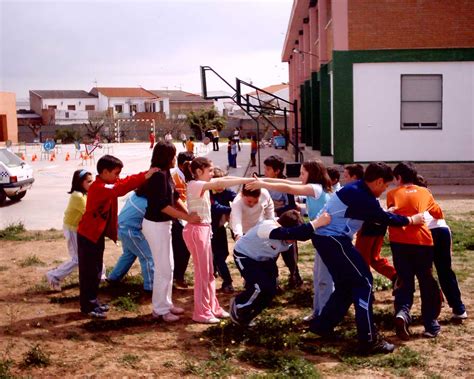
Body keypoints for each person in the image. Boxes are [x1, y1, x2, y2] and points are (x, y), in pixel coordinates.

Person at [308, 162, 425, 354]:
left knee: (346, 286)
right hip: (332, 239)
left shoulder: (357, 189)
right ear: (378, 181)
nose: (385, 189)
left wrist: (386, 214)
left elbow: (374, 215)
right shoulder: (362, 194)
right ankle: (369, 339)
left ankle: (322, 327)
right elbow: (382, 218)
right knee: (364, 282)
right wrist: (412, 220)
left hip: (326, 239)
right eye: (385, 185)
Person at [247, 160, 333, 318]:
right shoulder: (315, 188)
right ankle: (318, 312)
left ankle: (326, 316)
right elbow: (285, 182)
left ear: (312, 174)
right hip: (321, 239)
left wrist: (262, 183)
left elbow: (287, 187)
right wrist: (263, 181)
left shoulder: (315, 188)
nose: (300, 177)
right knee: (319, 278)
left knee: (325, 281)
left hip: (328, 240)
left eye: (303, 173)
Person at [77, 155, 158, 318]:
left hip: (95, 236)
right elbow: (120, 189)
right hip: (88, 236)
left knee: (96, 270)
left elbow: (123, 182)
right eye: (116, 173)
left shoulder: (106, 183)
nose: (118, 177)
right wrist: (144, 176)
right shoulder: (99, 187)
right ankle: (88, 306)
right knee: (89, 273)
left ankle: (92, 302)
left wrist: (144, 174)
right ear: (105, 172)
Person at [182, 157, 255, 323]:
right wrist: (247, 180)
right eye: (209, 171)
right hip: (197, 231)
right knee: (202, 274)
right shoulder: (195, 184)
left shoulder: (202, 184)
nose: (212, 174)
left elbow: (223, 180)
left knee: (208, 273)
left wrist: (249, 179)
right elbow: (219, 182)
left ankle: (212, 306)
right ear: (199, 171)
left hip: (204, 230)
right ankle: (201, 312)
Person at [230, 210, 331, 327]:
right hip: (245, 256)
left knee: (271, 289)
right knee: (259, 287)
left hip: (265, 259)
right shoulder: (267, 227)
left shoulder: (287, 238)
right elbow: (287, 233)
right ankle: (238, 305)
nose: (293, 241)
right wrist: (317, 223)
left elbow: (302, 235)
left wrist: (293, 272)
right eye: (293, 237)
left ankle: (247, 316)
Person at [142, 141, 201, 323]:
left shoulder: (167, 174)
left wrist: (187, 214)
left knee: (169, 267)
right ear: (166, 157)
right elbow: (163, 206)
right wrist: (187, 218)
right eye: (173, 155)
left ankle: (166, 304)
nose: (176, 158)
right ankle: (159, 310)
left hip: (164, 225)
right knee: (163, 269)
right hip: (155, 225)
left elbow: (175, 198)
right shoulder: (158, 176)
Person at [387, 162, 444, 339]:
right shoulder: (424, 192)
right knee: (426, 281)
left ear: (398, 178)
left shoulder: (392, 194)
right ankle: (430, 324)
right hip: (422, 242)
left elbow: (392, 215)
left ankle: (403, 313)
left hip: (399, 242)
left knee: (404, 280)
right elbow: (438, 213)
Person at [416, 175, 467, 321]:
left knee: (425, 273)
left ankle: (433, 307)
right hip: (442, 229)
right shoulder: (429, 196)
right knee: (445, 271)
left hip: (427, 231)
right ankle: (458, 308)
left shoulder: (413, 196)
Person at [46, 169, 105, 291]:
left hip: (80, 229)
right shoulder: (77, 196)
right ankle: (54, 276)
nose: (91, 184)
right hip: (72, 229)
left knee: (93, 252)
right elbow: (90, 212)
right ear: (80, 183)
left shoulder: (85, 194)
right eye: (88, 182)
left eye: (92, 181)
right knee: (78, 258)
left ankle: (101, 276)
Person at [262, 155, 302, 288]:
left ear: (277, 171)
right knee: (271, 254)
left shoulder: (285, 185)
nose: (265, 171)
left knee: (289, 253)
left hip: (285, 224)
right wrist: (274, 204)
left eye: (268, 169)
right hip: (270, 224)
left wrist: (277, 207)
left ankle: (295, 276)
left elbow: (291, 205)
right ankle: (273, 280)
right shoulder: (265, 184)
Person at [107, 189, 154, 293]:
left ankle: (113, 278)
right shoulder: (147, 203)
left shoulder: (134, 195)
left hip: (120, 227)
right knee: (147, 257)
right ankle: (150, 287)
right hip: (131, 231)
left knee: (129, 254)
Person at [210, 167, 237, 293]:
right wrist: (231, 209)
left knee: (224, 253)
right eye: (217, 184)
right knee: (219, 256)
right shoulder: (208, 193)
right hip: (210, 229)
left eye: (223, 183)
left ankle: (214, 267)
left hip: (220, 228)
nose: (221, 187)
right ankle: (227, 281)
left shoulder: (226, 192)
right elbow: (216, 207)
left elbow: (236, 199)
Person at [171, 151, 194, 288]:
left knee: (185, 249)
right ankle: (176, 276)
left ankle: (179, 275)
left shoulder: (188, 176)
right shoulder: (174, 177)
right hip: (177, 219)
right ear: (182, 165)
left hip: (186, 218)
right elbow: (176, 200)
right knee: (178, 249)